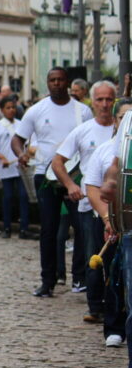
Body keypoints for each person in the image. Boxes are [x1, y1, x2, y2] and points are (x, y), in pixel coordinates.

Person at [12, 67, 92, 298]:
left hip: (75, 176)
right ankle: (48, 280)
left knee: (80, 227)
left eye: (60, 80)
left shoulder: (82, 111)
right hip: (44, 176)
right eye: (52, 80)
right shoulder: (36, 110)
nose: (56, 83)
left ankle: (80, 277)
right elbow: (18, 139)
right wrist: (21, 154)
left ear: (67, 82)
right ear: (47, 83)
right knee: (49, 229)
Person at [52, 80, 117, 299]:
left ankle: (114, 303)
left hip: (118, 205)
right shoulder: (83, 131)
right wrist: (70, 185)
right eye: (100, 99)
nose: (105, 104)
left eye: (109, 99)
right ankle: (95, 305)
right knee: (93, 253)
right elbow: (58, 161)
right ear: (93, 101)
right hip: (90, 204)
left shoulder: (123, 131)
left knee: (116, 257)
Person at [82, 97, 132, 343]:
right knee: (114, 275)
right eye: (124, 117)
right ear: (116, 121)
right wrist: (108, 218)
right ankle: (113, 327)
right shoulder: (105, 151)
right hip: (112, 224)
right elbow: (93, 188)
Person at [0, 96, 31, 239]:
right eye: (8, 108)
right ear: (2, 110)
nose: (11, 110)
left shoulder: (21, 124)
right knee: (8, 197)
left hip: (20, 166)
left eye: (13, 107)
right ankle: (7, 228)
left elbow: (26, 144)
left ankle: (24, 229)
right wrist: (2, 157)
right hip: (6, 168)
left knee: (24, 196)